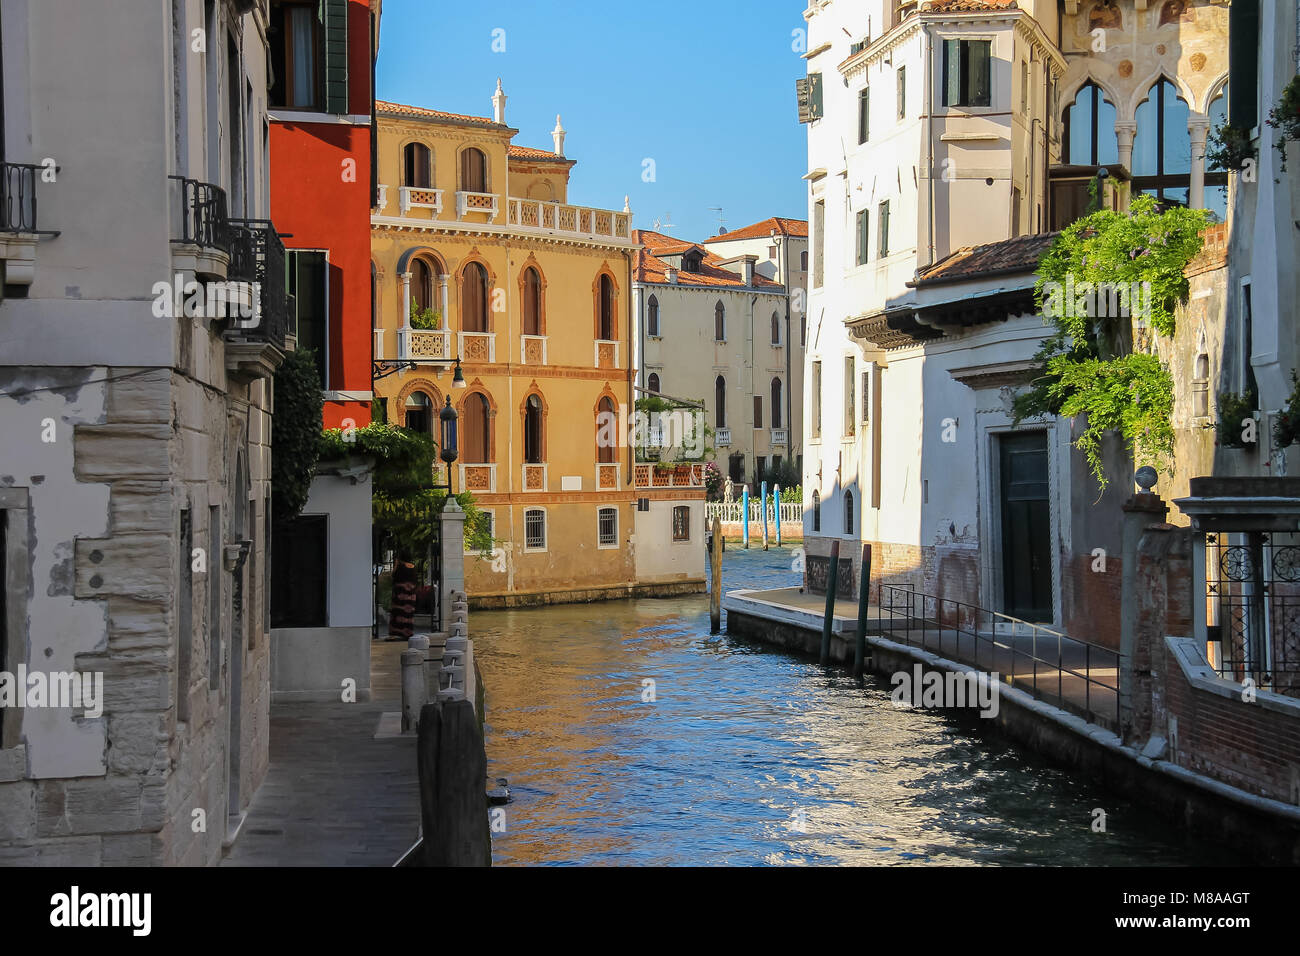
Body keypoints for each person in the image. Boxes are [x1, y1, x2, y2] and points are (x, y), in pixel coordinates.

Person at [389, 560, 417, 641]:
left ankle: (396, 634)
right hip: (410, 595)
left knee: (398, 613)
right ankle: (408, 633)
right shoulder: (413, 567)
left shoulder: (400, 566)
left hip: (400, 594)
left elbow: (394, 576)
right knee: (408, 614)